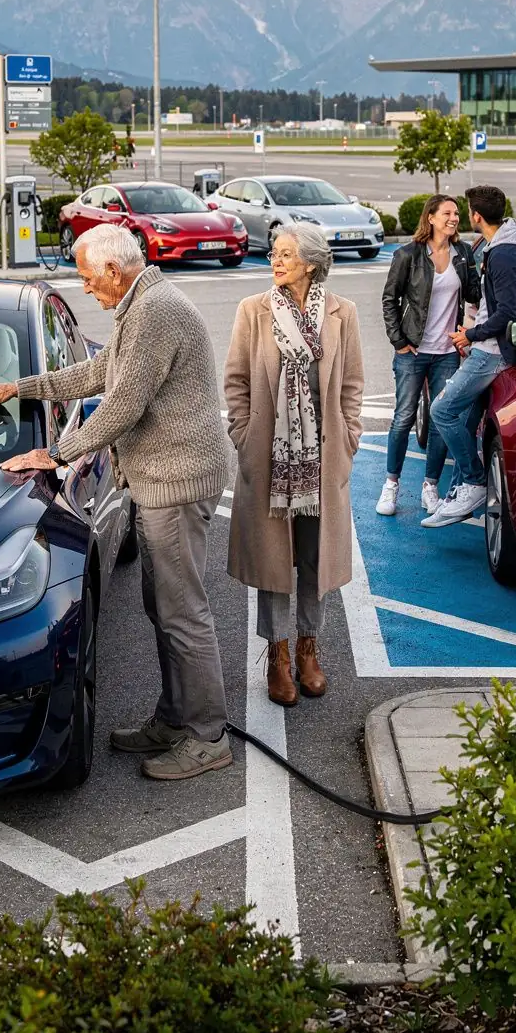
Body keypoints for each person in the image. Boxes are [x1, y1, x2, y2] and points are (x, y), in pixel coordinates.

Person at [0, 223, 232, 782]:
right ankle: (175, 719)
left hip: (177, 483)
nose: (86, 288)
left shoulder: (155, 312)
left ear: (114, 270)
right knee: (164, 608)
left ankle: (207, 736)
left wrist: (55, 454)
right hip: (163, 481)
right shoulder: (140, 307)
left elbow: (122, 405)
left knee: (182, 613)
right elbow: (98, 372)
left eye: (89, 279)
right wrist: (21, 387)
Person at [224, 224, 364, 706]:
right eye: (274, 254)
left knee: (314, 557)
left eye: (286, 255)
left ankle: (308, 648)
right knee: (274, 560)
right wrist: (244, 436)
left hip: (323, 458)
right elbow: (237, 382)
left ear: (311, 263)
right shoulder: (253, 310)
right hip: (270, 457)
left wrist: (349, 438)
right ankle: (278, 654)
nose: (276, 262)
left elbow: (351, 385)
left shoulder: (343, 313)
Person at [422, 184, 516, 528]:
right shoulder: (506, 247)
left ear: (476, 216)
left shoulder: (503, 255)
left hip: (491, 352)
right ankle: (457, 493)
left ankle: (474, 483)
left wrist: (470, 335)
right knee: (466, 420)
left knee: (442, 411)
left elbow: (505, 313)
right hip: (490, 346)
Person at [377, 195, 481, 517]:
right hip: (413, 351)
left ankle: (430, 487)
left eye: (456, 213)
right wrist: (398, 341)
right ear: (431, 218)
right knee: (403, 418)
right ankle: (391, 485)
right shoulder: (408, 255)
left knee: (439, 419)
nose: (454, 218)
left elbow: (475, 294)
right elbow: (389, 299)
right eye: (447, 213)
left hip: (447, 353)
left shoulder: (463, 254)